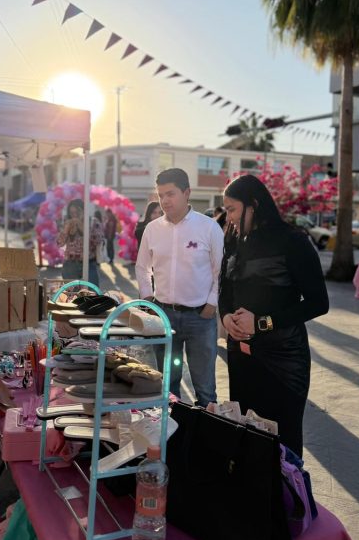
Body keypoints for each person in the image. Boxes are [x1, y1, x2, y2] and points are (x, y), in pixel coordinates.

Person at [219, 174, 329, 457]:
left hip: (284, 358)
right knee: (245, 434)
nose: (228, 217)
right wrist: (226, 317)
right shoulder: (234, 239)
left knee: (283, 442)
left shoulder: (293, 241)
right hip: (241, 355)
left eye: (232, 209)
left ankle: (287, 487)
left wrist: (261, 322)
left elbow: (319, 303)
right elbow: (224, 290)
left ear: (253, 205)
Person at [135, 168, 224, 407]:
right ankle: (173, 429)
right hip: (164, 317)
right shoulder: (152, 229)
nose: (165, 200)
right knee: (168, 386)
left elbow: (220, 271)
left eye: (170, 194)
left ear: (187, 193)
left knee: (205, 388)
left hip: (200, 319)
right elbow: (142, 267)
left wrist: (212, 304)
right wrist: (148, 300)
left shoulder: (209, 227)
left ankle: (206, 430)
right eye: (161, 195)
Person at [57, 199, 103, 286]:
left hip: (89, 263)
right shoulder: (67, 222)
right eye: (72, 213)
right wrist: (66, 230)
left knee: (91, 291)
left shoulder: (93, 222)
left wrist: (82, 227)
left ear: (84, 211)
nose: (74, 215)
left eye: (77, 212)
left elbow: (97, 241)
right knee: (71, 292)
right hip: (70, 264)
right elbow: (59, 243)